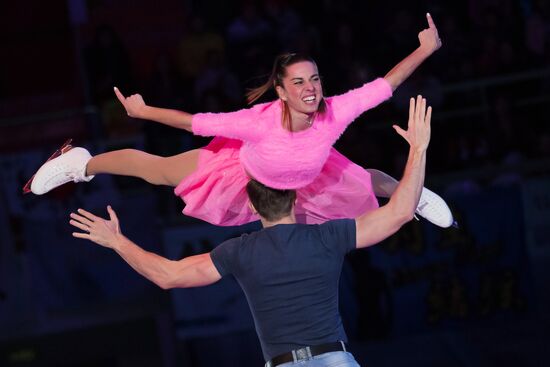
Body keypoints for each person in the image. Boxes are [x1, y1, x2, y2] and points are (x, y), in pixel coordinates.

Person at [69, 95, 432, 366]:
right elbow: (397, 210)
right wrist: (417, 149)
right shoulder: (328, 236)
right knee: (358, 180)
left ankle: (83, 164)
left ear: (252, 206)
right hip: (334, 361)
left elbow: (168, 275)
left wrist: (116, 240)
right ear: (295, 197)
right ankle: (82, 164)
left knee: (160, 169)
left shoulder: (241, 252)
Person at [31, 14, 452, 227]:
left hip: (307, 176)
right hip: (242, 172)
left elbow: (385, 85)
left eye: (316, 79)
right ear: (282, 90)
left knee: (361, 179)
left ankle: (411, 194)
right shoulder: (259, 122)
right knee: (159, 171)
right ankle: (81, 164)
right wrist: (144, 112)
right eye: (299, 81)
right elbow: (193, 122)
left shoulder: (334, 112)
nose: (311, 88)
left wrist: (426, 49)